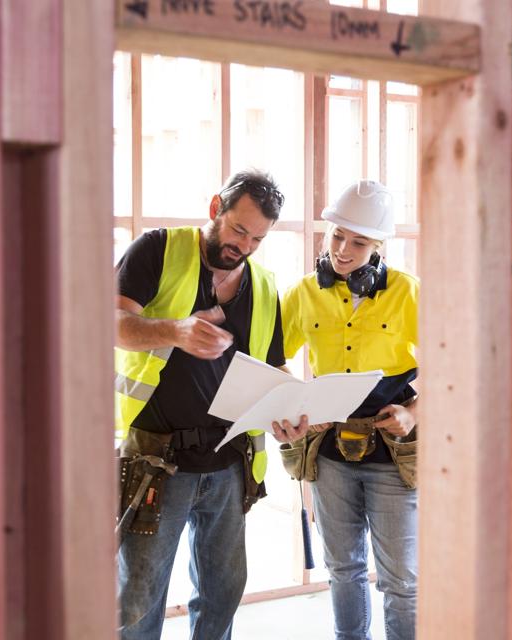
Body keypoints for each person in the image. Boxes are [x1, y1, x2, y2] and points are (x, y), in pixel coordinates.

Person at [114, 170, 287, 639]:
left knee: (223, 592)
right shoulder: (158, 249)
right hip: (156, 458)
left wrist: (286, 412)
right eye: (238, 230)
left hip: (229, 463)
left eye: (257, 238)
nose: (244, 246)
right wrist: (175, 330)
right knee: (139, 598)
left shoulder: (265, 285)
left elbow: (274, 369)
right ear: (215, 208)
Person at [271, 180, 419, 640]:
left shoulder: (407, 292)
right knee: (343, 569)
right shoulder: (303, 294)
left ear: (378, 247)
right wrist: (293, 405)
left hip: (393, 452)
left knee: (402, 581)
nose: (342, 249)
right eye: (336, 235)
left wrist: (416, 413)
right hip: (330, 452)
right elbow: (271, 358)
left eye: (358, 242)